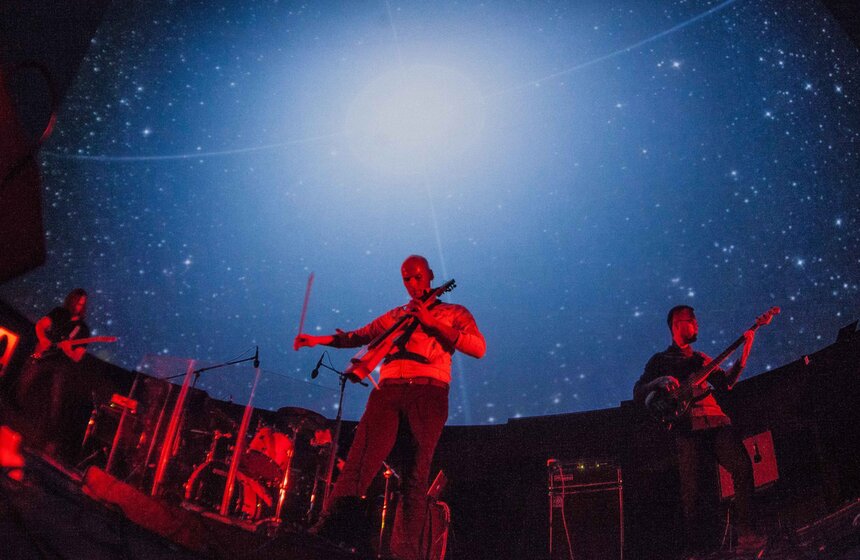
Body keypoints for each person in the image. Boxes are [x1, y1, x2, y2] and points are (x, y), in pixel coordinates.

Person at [294, 255, 485, 560]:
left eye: (418, 277)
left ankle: (405, 553)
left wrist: (432, 323)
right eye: (406, 279)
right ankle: (330, 533)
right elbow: (359, 336)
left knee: (415, 475)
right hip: (388, 390)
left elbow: (478, 347)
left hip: (428, 392)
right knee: (359, 462)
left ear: (431, 275)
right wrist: (317, 339)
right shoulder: (396, 314)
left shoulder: (453, 312)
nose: (413, 284)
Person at [633, 305, 767, 558]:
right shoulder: (659, 361)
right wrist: (658, 382)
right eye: (691, 320)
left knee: (742, 467)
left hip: (715, 421)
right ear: (676, 325)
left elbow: (727, 383)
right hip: (686, 427)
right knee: (691, 492)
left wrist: (747, 346)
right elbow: (638, 391)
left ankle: (747, 534)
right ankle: (696, 550)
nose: (696, 324)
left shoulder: (702, 359)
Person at [15, 288, 90, 458]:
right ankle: (18, 417)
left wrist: (68, 350)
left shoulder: (83, 329)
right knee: (25, 383)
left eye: (83, 305)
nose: (80, 307)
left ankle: (47, 439)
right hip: (42, 356)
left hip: (60, 364)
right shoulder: (59, 313)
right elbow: (40, 325)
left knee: (56, 401)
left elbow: (77, 357)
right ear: (72, 301)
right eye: (78, 303)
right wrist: (43, 340)